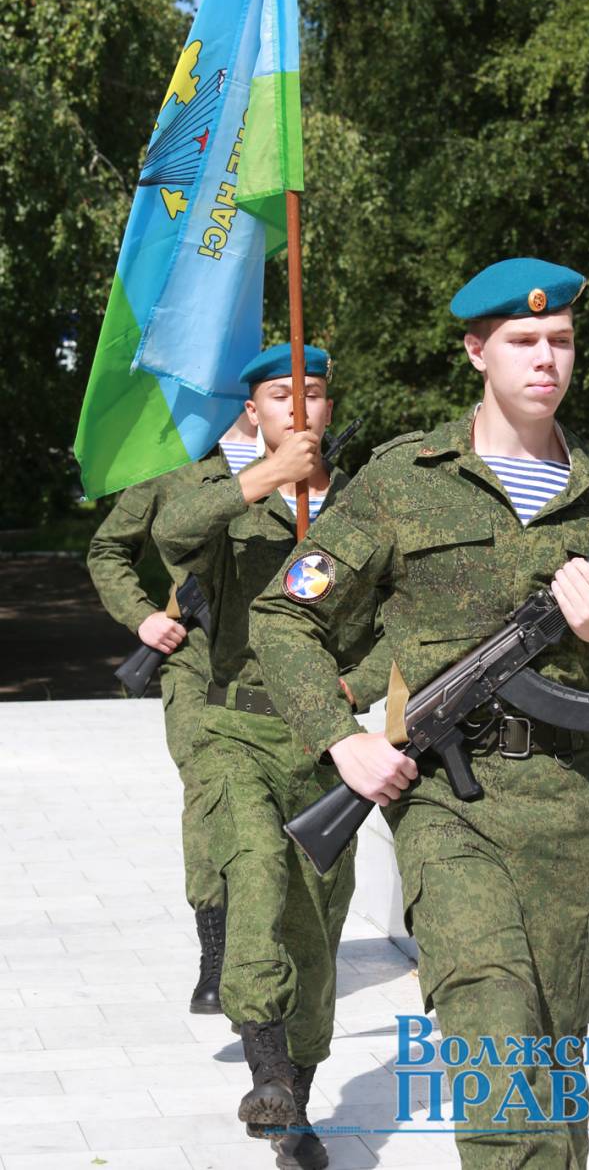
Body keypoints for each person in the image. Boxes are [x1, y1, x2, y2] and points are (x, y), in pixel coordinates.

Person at [250, 258, 589, 1170]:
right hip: (448, 805)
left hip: (570, 804)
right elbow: (283, 613)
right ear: (476, 351)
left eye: (562, 341)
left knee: (550, 1051)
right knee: (491, 1035)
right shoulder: (403, 480)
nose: (547, 359)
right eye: (524, 341)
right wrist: (342, 742)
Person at [152, 343, 374, 1163]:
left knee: (314, 929)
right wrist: (269, 476)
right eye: (282, 396)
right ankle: (266, 1071)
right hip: (231, 729)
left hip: (323, 742)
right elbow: (171, 532)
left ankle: (296, 1110)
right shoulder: (222, 494)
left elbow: (397, 617)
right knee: (253, 873)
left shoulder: (361, 505)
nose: (299, 409)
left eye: (313, 394)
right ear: (255, 410)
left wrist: (358, 688)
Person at [87, 410, 259, 1015]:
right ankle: (216, 953)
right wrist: (143, 616)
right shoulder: (176, 467)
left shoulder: (314, 469)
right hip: (198, 665)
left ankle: (269, 946)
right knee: (208, 798)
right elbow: (108, 548)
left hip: (279, 668)